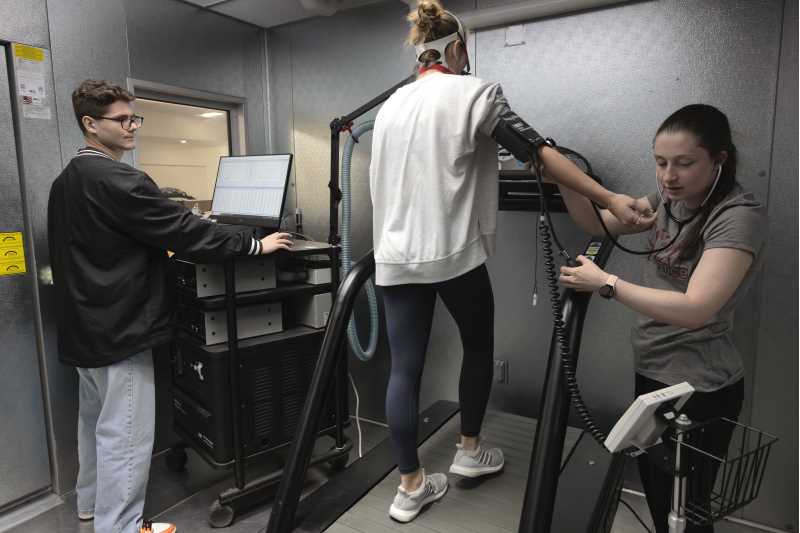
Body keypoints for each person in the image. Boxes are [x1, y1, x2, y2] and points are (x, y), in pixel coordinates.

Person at [370, 1, 653, 523]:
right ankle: (470, 451)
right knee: (478, 346)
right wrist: (610, 198)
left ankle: (409, 487)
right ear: (457, 50)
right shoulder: (475, 91)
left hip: (394, 255)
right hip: (451, 254)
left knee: (403, 370)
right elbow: (536, 151)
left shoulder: (391, 106)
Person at [47, 79, 293, 533]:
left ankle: (90, 506)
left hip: (85, 329)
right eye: (121, 120)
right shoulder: (119, 178)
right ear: (89, 123)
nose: (131, 127)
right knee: (125, 435)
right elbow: (187, 232)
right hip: (120, 331)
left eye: (133, 117)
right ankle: (120, 526)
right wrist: (255, 245)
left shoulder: (67, 180)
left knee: (94, 423)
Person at [554, 104, 765, 533]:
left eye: (685, 163)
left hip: (699, 387)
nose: (669, 175)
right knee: (659, 497)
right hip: (653, 373)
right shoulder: (668, 200)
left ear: (719, 159)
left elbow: (697, 308)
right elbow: (600, 226)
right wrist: (565, 180)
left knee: (686, 511)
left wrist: (606, 283)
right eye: (660, 162)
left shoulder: (737, 216)